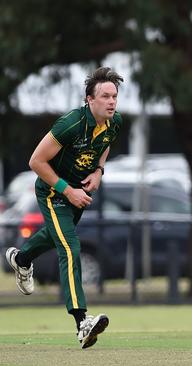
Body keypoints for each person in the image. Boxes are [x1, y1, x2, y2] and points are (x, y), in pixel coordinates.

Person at [5, 67, 124, 349]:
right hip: (52, 191)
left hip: (77, 192)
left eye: (114, 96)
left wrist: (98, 171)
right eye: (105, 96)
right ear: (89, 99)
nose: (111, 101)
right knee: (69, 247)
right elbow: (35, 161)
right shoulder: (70, 124)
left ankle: (22, 259)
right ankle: (81, 322)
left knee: (56, 234)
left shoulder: (113, 122)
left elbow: (104, 146)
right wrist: (67, 191)